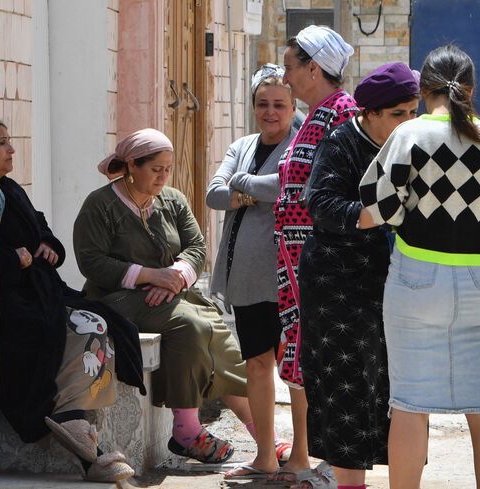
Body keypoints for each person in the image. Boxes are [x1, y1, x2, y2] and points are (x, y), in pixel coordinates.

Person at [359, 45, 480, 489]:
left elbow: (380, 205)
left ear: (422, 91)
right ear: (472, 89)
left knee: (408, 403)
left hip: (415, 278)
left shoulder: (409, 135)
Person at [0, 117, 145, 483]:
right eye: (2, 143)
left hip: (39, 289)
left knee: (99, 323)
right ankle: (82, 439)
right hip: (5, 298)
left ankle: (74, 420)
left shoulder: (11, 189)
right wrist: (11, 258)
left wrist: (48, 247)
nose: (11, 149)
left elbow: (40, 226)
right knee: (71, 328)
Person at [73, 128, 257, 464]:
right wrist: (147, 275)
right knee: (189, 325)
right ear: (132, 165)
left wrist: (172, 278)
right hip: (115, 299)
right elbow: (92, 261)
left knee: (218, 333)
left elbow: (196, 247)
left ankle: (262, 435)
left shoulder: (172, 200)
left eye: (167, 168)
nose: (163, 176)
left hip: (169, 295)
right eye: (155, 168)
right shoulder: (100, 206)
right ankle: (186, 430)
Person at [297, 62, 420, 489]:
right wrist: (376, 215)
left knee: (392, 386)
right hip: (337, 286)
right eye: (397, 114)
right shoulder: (342, 143)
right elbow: (321, 205)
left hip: (393, 283)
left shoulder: (411, 145)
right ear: (370, 113)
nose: (408, 122)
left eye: (412, 112)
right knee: (345, 385)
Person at [206, 64, 303, 480]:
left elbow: (288, 186)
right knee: (258, 365)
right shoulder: (241, 144)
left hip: (289, 275)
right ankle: (265, 454)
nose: (270, 112)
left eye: (279, 104)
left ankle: (301, 454)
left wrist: (243, 186)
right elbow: (214, 194)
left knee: (297, 369)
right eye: (263, 104)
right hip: (246, 276)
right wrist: (252, 192)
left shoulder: (303, 145)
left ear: (292, 105)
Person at [273, 25, 358, 485]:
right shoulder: (312, 116)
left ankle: (332, 464)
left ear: (313, 67)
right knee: (304, 358)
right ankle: (306, 457)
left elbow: (340, 190)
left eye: (290, 68)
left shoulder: (342, 114)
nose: (285, 78)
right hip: (297, 265)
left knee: (326, 358)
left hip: (325, 263)